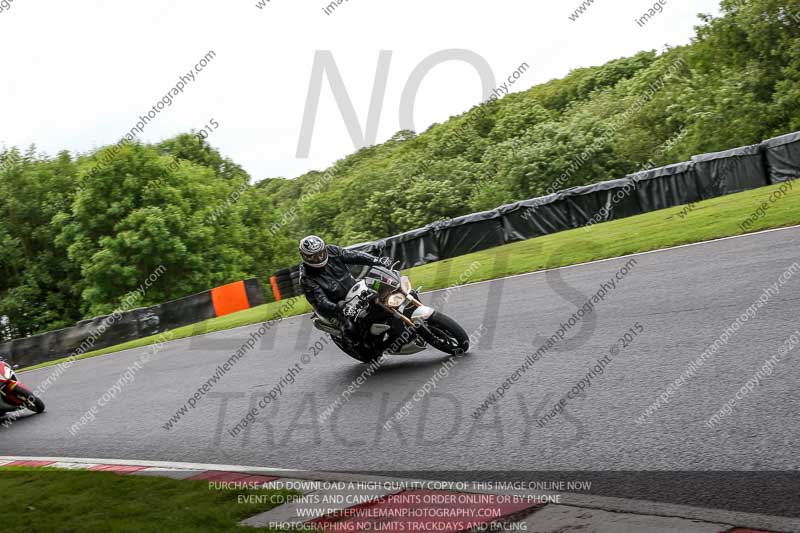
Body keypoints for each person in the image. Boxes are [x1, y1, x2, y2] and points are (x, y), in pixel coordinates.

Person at [299, 235, 392, 342]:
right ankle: (368, 352)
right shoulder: (306, 277)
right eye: (314, 256)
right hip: (336, 305)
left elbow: (353, 255)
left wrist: (376, 260)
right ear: (305, 257)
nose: (319, 258)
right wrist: (340, 308)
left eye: (321, 253)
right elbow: (321, 302)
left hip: (354, 289)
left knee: (383, 292)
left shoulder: (332, 250)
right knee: (351, 331)